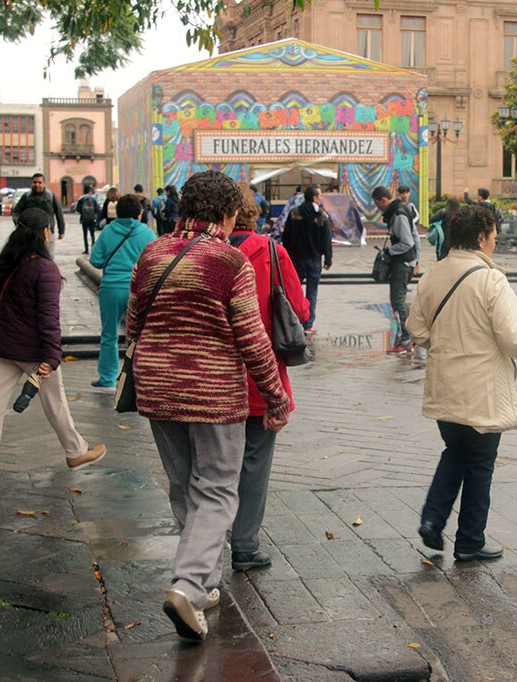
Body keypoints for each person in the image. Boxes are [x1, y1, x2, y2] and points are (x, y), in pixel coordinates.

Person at [126, 171, 289, 641]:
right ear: (228, 213)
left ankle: (203, 581)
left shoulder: (151, 252)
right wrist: (274, 396)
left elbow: (134, 323)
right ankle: (190, 584)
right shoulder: (228, 260)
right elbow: (252, 338)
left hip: (157, 388)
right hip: (212, 390)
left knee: (185, 486)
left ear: (183, 210)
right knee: (217, 488)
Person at [407, 205, 517, 561]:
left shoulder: (433, 275)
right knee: (479, 463)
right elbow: (512, 338)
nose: (495, 241)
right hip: (482, 390)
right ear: (481, 237)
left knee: (455, 451)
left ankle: (433, 518)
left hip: (444, 383)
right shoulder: (491, 280)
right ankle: (470, 541)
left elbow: (416, 328)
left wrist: (442, 344)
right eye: (493, 235)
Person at [0, 208, 106, 485]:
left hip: (3, 346)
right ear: (45, 232)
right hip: (34, 351)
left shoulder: (10, 262)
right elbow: (48, 318)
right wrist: (53, 355)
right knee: (55, 402)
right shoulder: (45, 268)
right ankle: (76, 451)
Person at [228, 181, 309, 571]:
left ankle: (204, 546)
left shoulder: (209, 252)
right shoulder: (273, 253)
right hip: (263, 379)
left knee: (211, 466)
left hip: (215, 379)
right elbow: (300, 308)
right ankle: (244, 545)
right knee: (255, 463)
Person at [88, 194, 156, 392]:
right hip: (138, 289)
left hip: (111, 288)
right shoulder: (147, 233)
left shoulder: (108, 231)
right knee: (141, 336)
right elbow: (154, 262)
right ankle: (141, 379)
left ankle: (108, 378)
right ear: (139, 213)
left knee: (109, 334)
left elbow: (95, 261)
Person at [282, 185, 332, 335]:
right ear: (315, 198)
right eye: (320, 196)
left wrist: (287, 255)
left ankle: (294, 322)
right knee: (312, 292)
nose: (321, 198)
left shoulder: (294, 213)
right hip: (314, 260)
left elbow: (286, 237)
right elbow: (326, 240)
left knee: (293, 291)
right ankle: (308, 324)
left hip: (296, 259)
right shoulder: (322, 216)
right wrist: (328, 259)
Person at [372, 186, 417, 353]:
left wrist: (390, 251)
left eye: (377, 204)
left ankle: (406, 339)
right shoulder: (400, 210)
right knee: (400, 300)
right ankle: (410, 336)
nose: (378, 208)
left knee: (398, 301)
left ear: (383, 200)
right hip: (406, 262)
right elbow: (414, 238)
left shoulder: (398, 214)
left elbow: (407, 242)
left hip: (402, 263)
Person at [12, 173, 65, 257]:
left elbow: (59, 213)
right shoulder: (27, 196)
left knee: (48, 257)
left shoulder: (50, 196)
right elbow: (16, 211)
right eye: (34, 182)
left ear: (44, 183)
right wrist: (19, 223)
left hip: (48, 231)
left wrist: (61, 231)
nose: (37, 184)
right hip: (30, 232)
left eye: (39, 182)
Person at [75, 186, 101, 254]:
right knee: (92, 234)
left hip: (84, 219)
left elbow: (78, 209)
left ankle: (86, 249)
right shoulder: (94, 199)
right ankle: (93, 248)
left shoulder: (81, 199)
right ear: (90, 191)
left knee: (85, 234)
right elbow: (98, 209)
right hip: (92, 219)